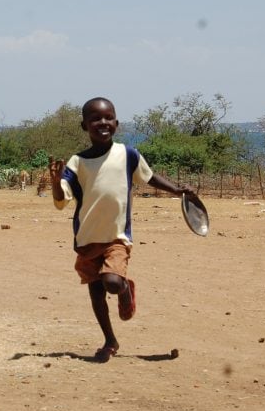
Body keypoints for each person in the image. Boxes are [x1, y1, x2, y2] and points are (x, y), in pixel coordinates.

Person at [51, 97, 195, 363]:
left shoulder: (128, 154)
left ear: (116, 123)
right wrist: (55, 183)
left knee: (112, 283)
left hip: (117, 237)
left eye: (108, 118)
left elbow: (148, 177)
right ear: (84, 125)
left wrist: (176, 189)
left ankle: (125, 289)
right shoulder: (77, 162)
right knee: (96, 293)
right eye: (95, 119)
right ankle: (109, 339)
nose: (102, 123)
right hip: (86, 239)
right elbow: (62, 199)